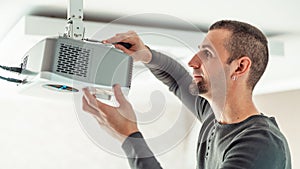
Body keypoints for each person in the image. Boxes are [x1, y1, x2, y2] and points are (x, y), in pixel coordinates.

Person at [82, 20, 291, 169]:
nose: (193, 62)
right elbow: (176, 79)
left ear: (240, 67)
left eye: (207, 54)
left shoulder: (260, 144)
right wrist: (146, 54)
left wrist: (129, 137)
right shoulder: (214, 118)